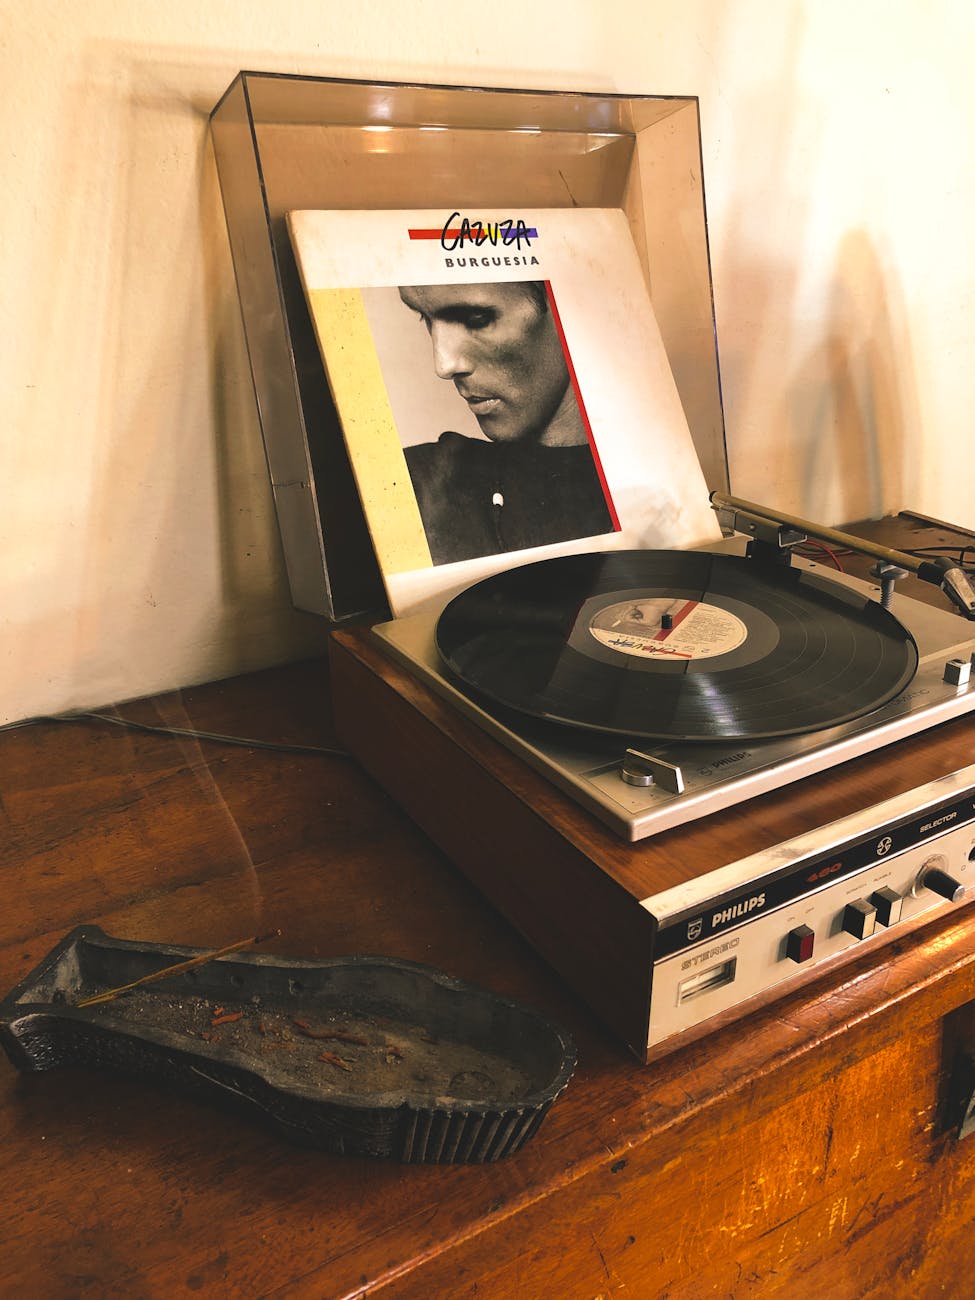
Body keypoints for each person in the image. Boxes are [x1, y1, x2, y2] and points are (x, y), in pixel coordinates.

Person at [398, 281, 615, 566]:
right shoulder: (416, 484)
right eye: (426, 318)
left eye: (477, 319)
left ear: (570, 308)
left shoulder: (662, 482)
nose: (444, 364)